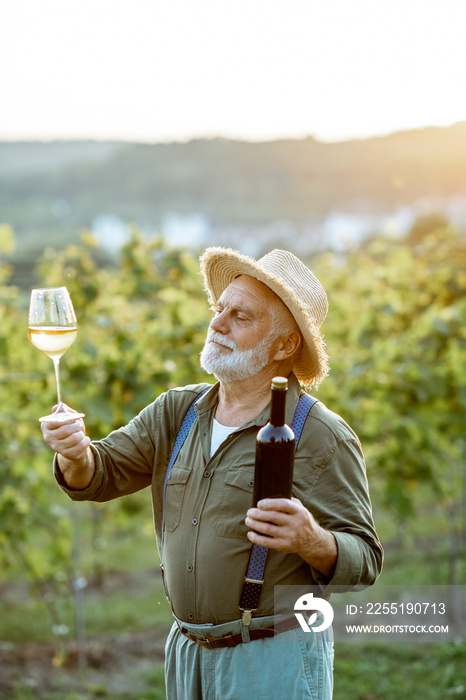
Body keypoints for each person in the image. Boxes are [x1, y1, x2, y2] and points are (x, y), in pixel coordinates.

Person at [42, 247, 383, 700]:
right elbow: (98, 473)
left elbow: (366, 562)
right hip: (187, 653)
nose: (218, 323)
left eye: (241, 316)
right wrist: (74, 452)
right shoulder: (178, 411)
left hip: (271, 655)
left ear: (283, 345)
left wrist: (312, 540)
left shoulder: (320, 435)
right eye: (219, 308)